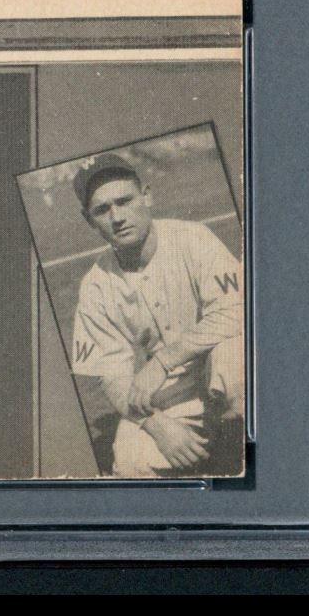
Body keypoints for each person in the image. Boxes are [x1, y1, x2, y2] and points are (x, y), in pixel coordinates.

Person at [69, 153, 245, 478]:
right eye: (102, 210)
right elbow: (112, 376)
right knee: (130, 464)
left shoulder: (193, 238)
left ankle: (240, 464)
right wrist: (158, 425)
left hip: (214, 363)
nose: (117, 217)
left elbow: (237, 310)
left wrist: (163, 360)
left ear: (146, 195)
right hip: (170, 394)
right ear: (88, 220)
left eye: (124, 201)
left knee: (235, 368)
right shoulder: (95, 287)